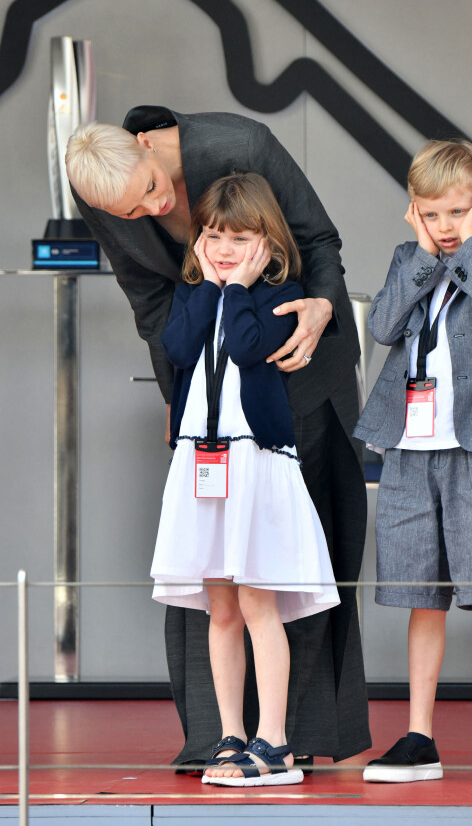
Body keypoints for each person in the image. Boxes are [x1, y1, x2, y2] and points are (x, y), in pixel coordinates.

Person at [65, 106, 370, 768]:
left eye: (151, 186)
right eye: (130, 209)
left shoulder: (242, 145)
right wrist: (181, 398)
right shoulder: (105, 196)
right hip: (207, 404)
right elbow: (152, 305)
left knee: (287, 571)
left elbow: (319, 240)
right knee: (212, 587)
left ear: (148, 145)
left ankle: (294, 738)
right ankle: (219, 735)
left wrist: (318, 305)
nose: (152, 207)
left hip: (295, 358)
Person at [354, 139, 472, 786]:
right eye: (431, 215)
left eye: (458, 213)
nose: (446, 226)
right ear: (415, 213)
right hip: (408, 446)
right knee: (419, 597)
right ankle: (419, 737)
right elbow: (380, 328)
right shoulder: (412, 258)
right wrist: (426, 256)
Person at [151, 171, 340, 787]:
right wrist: (209, 285)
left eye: (237, 235)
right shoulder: (195, 290)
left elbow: (248, 346)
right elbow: (180, 348)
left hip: (255, 461)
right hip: (203, 462)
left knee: (259, 600)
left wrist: (240, 288)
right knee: (220, 606)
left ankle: (275, 741)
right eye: (211, 233)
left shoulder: (279, 293)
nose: (223, 246)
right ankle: (230, 733)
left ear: (265, 240)